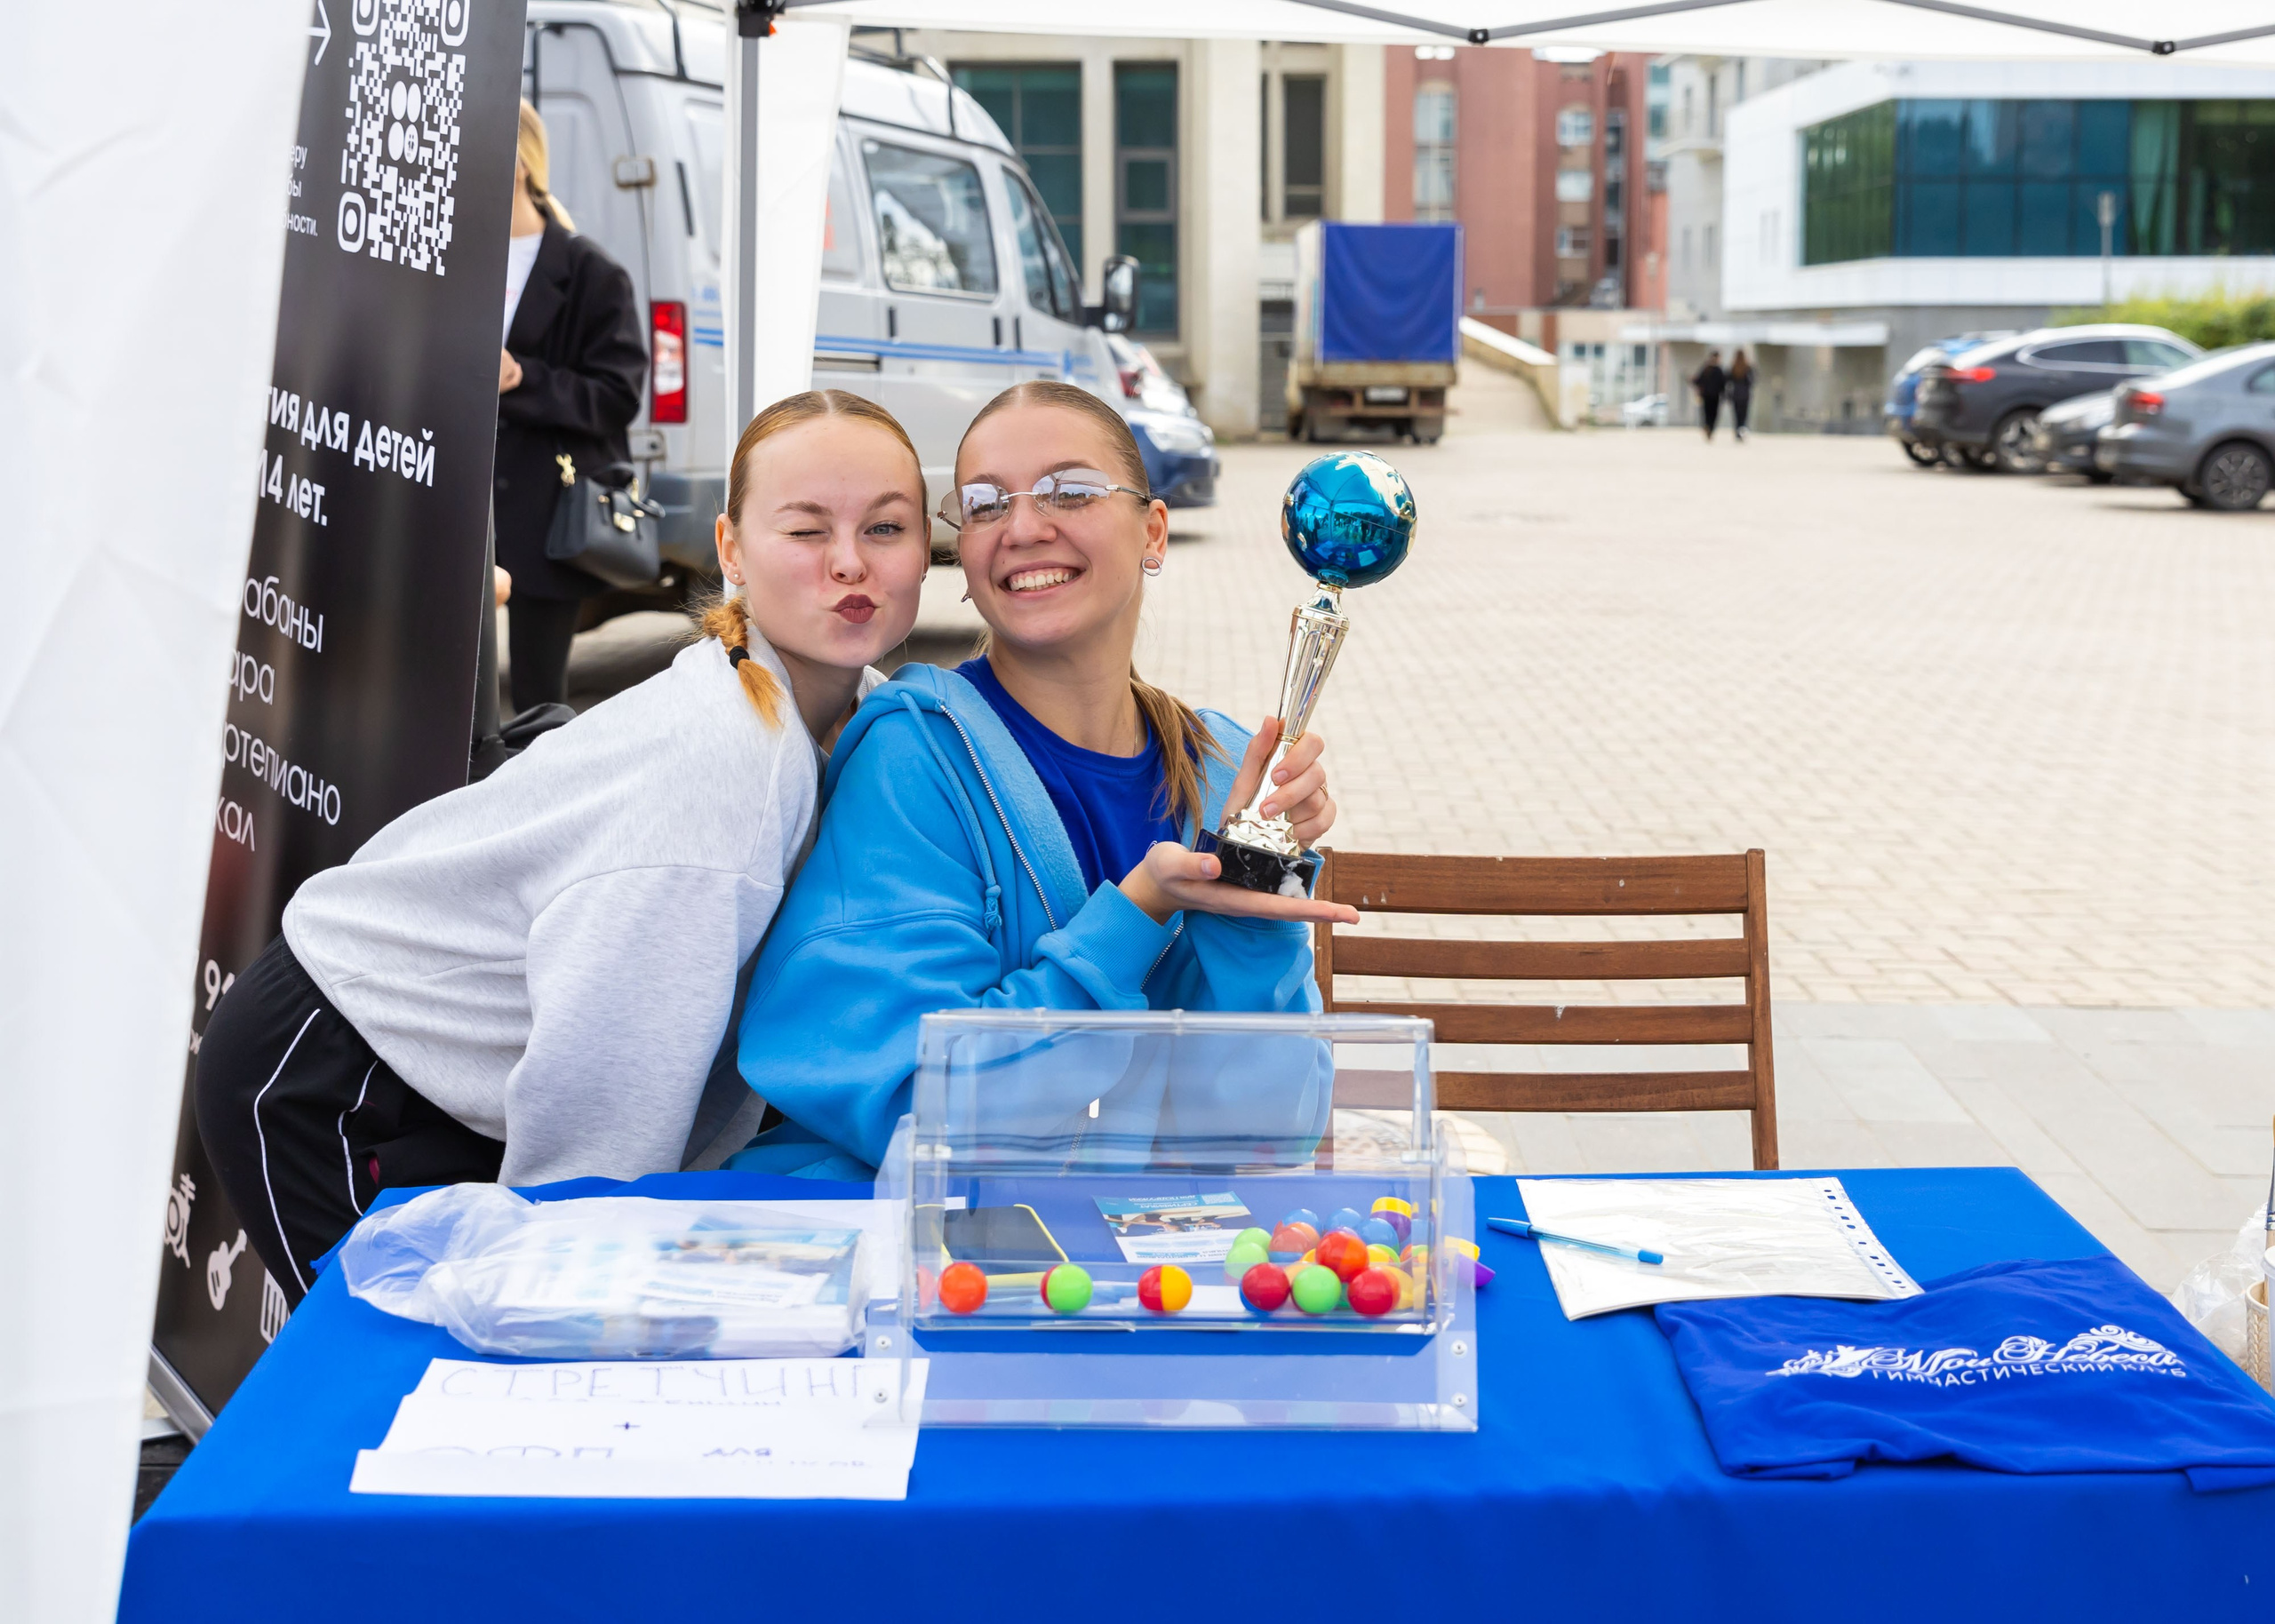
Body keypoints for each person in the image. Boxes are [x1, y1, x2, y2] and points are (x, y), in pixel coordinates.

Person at [193, 391, 930, 1299]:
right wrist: (566, 1296)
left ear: (928, 547)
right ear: (732, 549)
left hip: (460, 1071)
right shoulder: (720, 774)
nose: (850, 562)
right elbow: (603, 1102)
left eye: (886, 527)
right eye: (807, 530)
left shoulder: (849, 706)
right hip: (332, 1073)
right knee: (413, 1394)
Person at [727, 381, 1357, 1180]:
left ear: (1154, 532)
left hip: (1126, 1265)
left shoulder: (1225, 773)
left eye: (1070, 490)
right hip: (910, 1254)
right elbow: (918, 1106)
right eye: (985, 504)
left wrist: (1251, 918)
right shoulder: (918, 759)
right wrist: (1137, 916)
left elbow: (1269, 1136)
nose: (1023, 527)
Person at [494, 100, 647, 713]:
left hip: (545, 517)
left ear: (521, 163)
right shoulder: (451, 261)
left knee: (537, 699)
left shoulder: (591, 272)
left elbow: (618, 396)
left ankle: (540, 803)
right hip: (457, 507)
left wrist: (522, 378)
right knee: (447, 687)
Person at [1693, 350, 1727, 442]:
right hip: (1714, 396)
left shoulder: (1707, 369)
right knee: (1713, 414)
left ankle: (1708, 427)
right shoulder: (1717, 370)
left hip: (1707, 396)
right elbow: (1723, 385)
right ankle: (1710, 428)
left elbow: (1698, 381)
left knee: (1707, 413)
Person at [1728, 349, 1754, 441]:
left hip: (1735, 395)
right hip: (1745, 395)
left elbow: (1728, 380)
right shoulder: (1748, 368)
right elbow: (1752, 381)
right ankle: (1742, 432)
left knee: (1736, 415)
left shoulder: (1733, 367)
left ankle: (1737, 432)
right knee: (1744, 416)